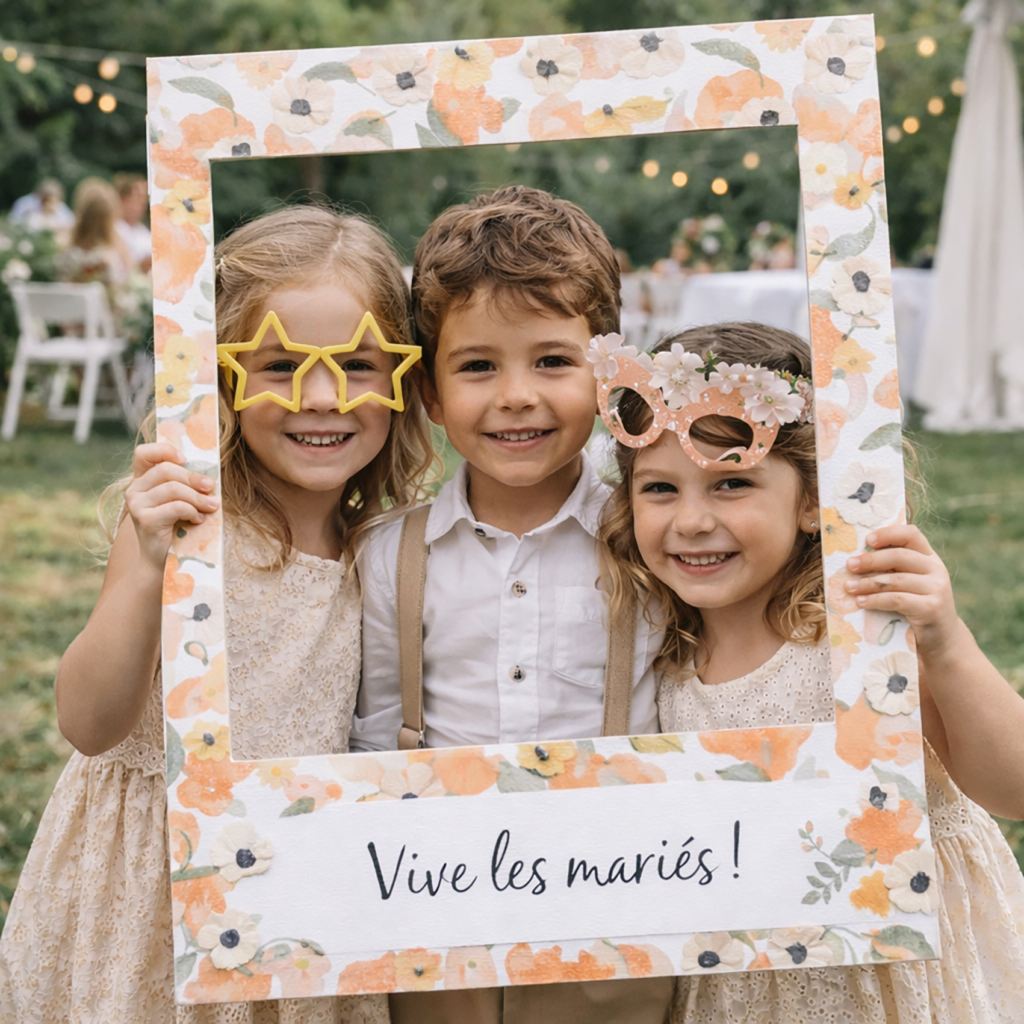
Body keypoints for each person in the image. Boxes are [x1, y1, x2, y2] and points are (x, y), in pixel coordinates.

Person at [0, 205, 435, 1024]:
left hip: (294, 889)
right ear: (217, 372)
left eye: (358, 364)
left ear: (402, 380)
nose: (320, 397)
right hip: (149, 885)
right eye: (278, 364)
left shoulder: (384, 550)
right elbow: (90, 723)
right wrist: (143, 570)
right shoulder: (185, 525)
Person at [597, 322, 1024, 1023]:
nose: (692, 520)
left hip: (898, 975)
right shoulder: (656, 656)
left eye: (731, 482)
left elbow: (1014, 784)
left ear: (810, 499)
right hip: (747, 983)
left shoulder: (863, 639)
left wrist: (945, 646)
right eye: (660, 489)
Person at [351, 185, 672, 1023]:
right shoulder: (390, 555)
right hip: (437, 923)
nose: (516, 394)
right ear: (429, 392)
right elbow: (379, 729)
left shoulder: (651, 541)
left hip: (613, 914)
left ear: (607, 374)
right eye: (479, 365)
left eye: (552, 360)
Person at [57, 177, 134, 321]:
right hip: (109, 325)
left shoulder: (66, 251)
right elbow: (126, 283)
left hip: (74, 324)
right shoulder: (115, 250)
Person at [114, 172, 153, 273]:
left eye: (145, 197)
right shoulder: (113, 229)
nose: (143, 202)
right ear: (123, 199)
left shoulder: (144, 233)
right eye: (138, 196)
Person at [9, 177, 75, 236]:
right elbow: (13, 223)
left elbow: (70, 225)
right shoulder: (25, 204)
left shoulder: (62, 208)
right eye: (46, 197)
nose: (48, 202)